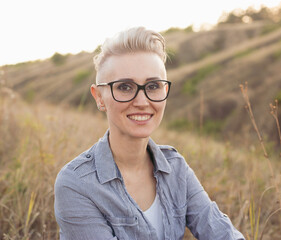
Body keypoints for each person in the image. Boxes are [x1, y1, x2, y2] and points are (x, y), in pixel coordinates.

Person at [54, 27, 245, 240]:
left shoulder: (175, 167)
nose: (142, 102)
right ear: (99, 97)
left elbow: (221, 233)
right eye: (125, 87)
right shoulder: (76, 183)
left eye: (153, 85)